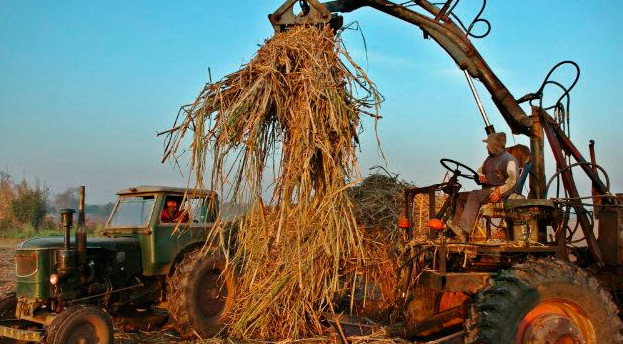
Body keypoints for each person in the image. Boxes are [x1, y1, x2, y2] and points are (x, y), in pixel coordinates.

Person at [447, 132, 519, 241]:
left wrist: (499, 191)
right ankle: (455, 228)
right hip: (486, 192)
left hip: (498, 194)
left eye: (488, 144)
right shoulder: (489, 159)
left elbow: (513, 180)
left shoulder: (509, 160)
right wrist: (480, 176)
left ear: (494, 146)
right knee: (459, 196)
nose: (486, 147)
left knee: (474, 195)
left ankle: (464, 231)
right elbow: (479, 171)